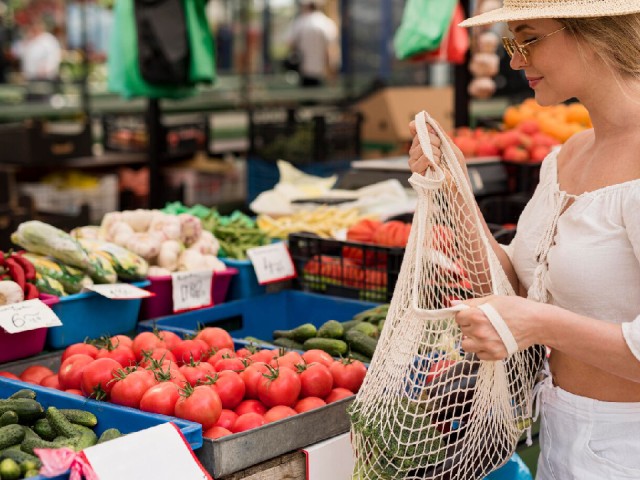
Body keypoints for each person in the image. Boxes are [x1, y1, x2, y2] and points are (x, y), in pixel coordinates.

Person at [408, 1, 640, 478]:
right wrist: (453, 185)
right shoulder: (568, 156)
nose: (516, 61)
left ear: (593, 31)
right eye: (511, 43)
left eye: (528, 38)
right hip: (560, 432)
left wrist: (537, 324)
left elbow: (529, 315)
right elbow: (515, 286)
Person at [287, 0, 340, 87]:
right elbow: (330, 50)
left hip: (304, 72)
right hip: (322, 72)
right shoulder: (327, 23)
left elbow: (290, 43)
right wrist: (332, 72)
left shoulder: (301, 22)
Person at [13, 19, 61, 83]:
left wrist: (47, 69)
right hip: (29, 78)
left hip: (45, 79)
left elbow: (54, 57)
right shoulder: (29, 40)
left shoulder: (49, 40)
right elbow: (16, 52)